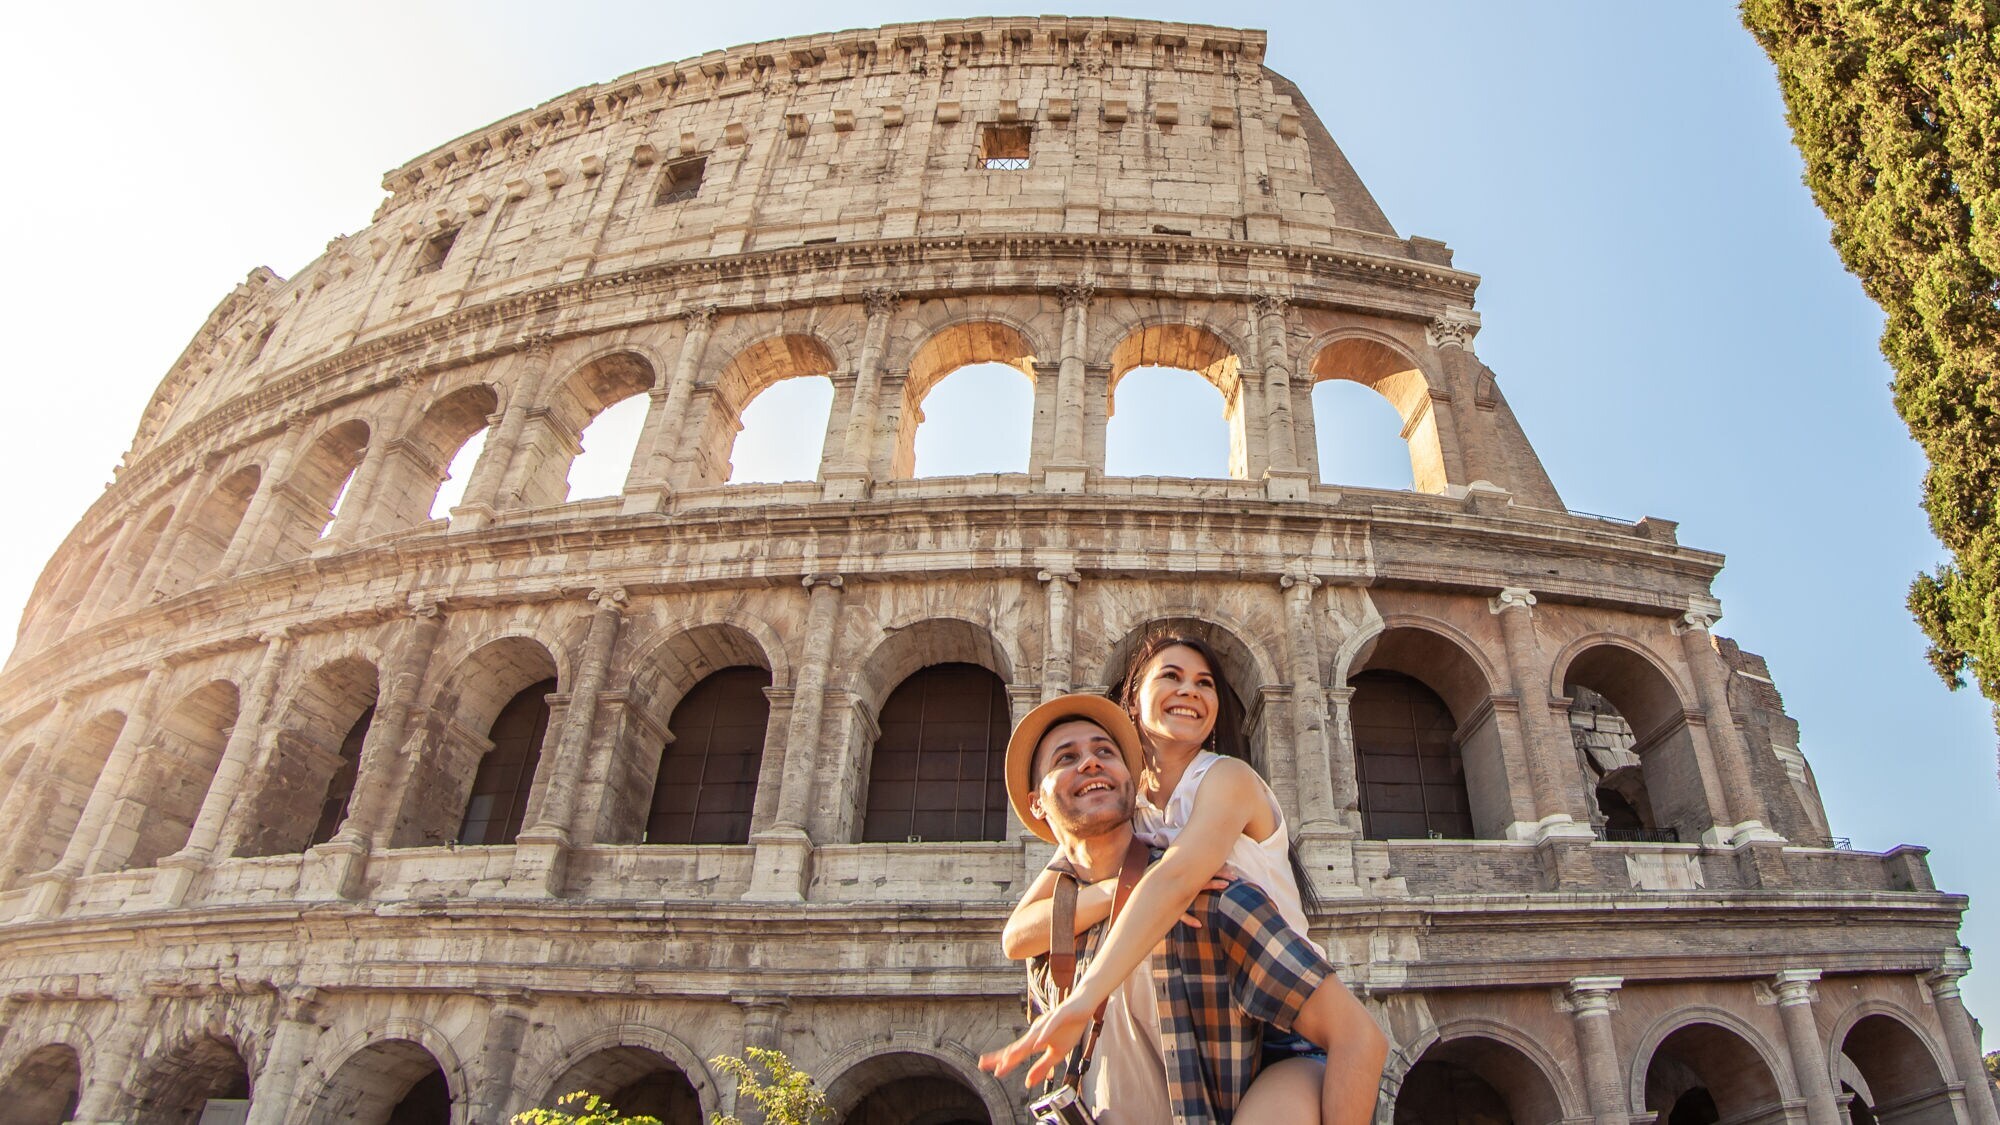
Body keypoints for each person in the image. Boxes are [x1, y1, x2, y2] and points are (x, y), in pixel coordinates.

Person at [981, 693, 1387, 1124]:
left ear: (1132, 782)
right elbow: (1015, 936)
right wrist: (1119, 891)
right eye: (1066, 757)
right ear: (1035, 804)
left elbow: (1357, 1038)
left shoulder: (1212, 897)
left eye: (1104, 751)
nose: (1090, 763)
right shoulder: (1054, 936)